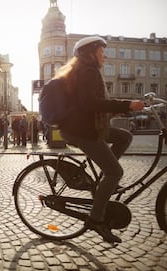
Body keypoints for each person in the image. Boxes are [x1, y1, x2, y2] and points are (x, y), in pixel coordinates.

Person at [55, 36, 144, 243]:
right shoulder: (87, 71)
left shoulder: (85, 71)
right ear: (91, 52)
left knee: (124, 136)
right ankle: (96, 220)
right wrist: (126, 105)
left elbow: (90, 106)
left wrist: (117, 111)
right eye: (101, 51)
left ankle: (105, 182)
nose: (105, 55)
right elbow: (89, 104)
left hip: (88, 126)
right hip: (82, 131)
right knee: (116, 172)